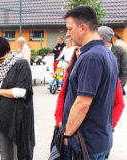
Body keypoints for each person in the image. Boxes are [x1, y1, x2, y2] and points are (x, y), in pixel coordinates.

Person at [62, 6, 118, 159]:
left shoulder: (91, 57)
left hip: (86, 143)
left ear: (83, 28)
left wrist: (66, 135)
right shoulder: (107, 53)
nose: (67, 34)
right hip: (99, 139)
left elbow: (83, 104)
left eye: (69, 29)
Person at [98, 26, 127, 95]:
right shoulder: (96, 50)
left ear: (102, 37)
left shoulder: (120, 51)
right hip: (99, 90)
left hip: (115, 90)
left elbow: (125, 72)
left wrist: (117, 88)